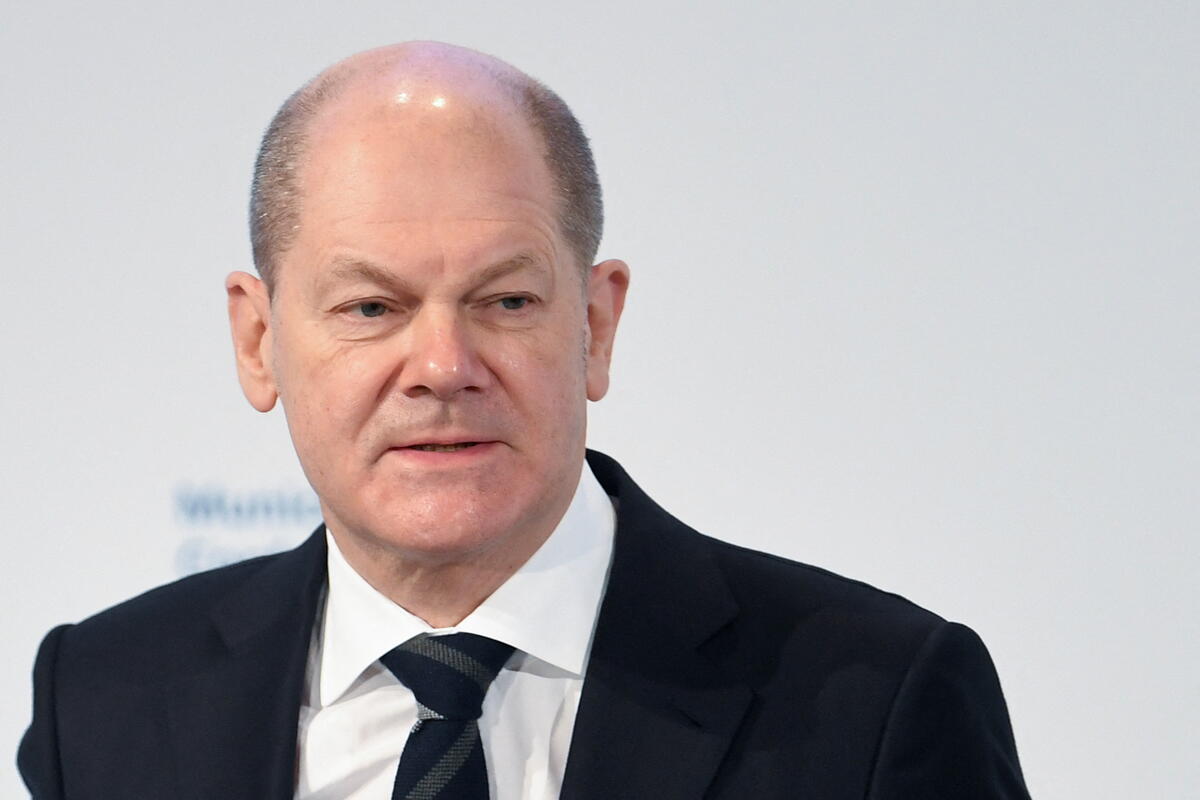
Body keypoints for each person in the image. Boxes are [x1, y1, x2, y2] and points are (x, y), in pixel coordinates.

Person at [19, 42, 1031, 799]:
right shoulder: (102, 702)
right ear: (258, 341)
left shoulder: (877, 701)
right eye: (371, 307)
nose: (443, 367)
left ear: (596, 324)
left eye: (507, 300)